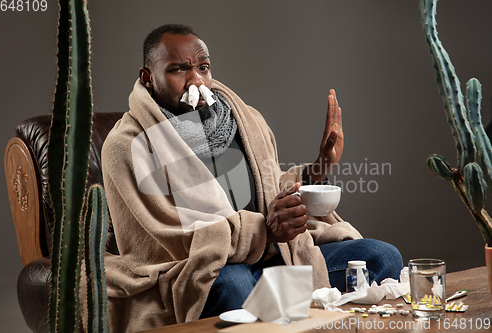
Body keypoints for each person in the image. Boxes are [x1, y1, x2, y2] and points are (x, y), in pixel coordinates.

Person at [101, 23, 403, 333]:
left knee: (381, 257)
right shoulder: (128, 145)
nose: (196, 81)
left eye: (203, 68)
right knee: (234, 286)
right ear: (147, 78)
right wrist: (266, 230)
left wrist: (319, 167)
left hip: (274, 258)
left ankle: (273, 309)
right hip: (199, 271)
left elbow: (270, 188)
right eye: (179, 70)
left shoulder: (244, 119)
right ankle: (285, 306)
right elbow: (170, 238)